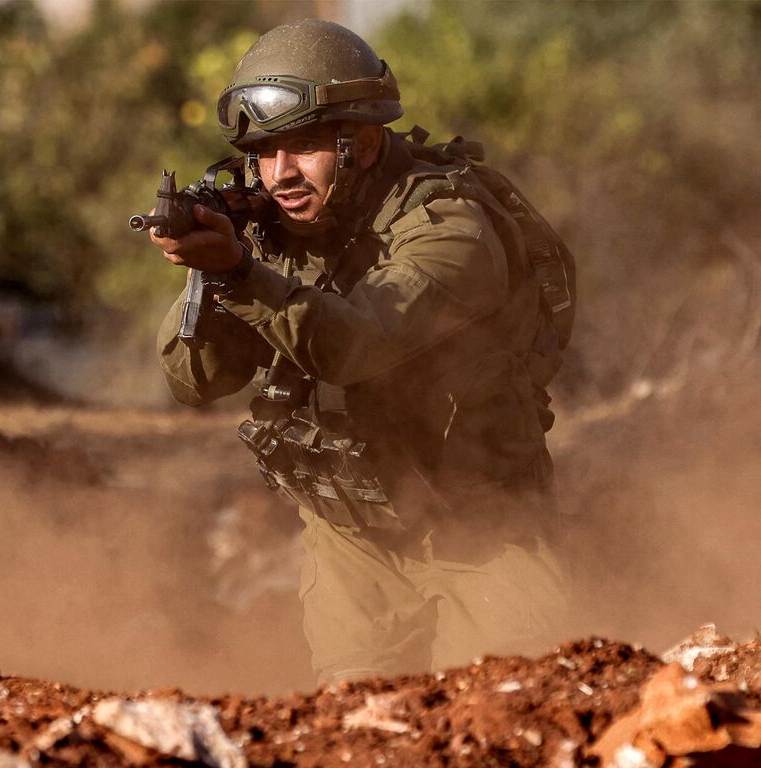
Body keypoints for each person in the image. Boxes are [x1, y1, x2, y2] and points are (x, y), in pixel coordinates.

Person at [148, 19, 568, 683]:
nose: (280, 174)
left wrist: (239, 273)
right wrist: (214, 266)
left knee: (506, 717)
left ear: (364, 144)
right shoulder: (278, 226)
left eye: (304, 147)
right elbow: (192, 379)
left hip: (483, 527)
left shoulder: (451, 228)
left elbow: (358, 346)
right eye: (264, 152)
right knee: (359, 728)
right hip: (355, 533)